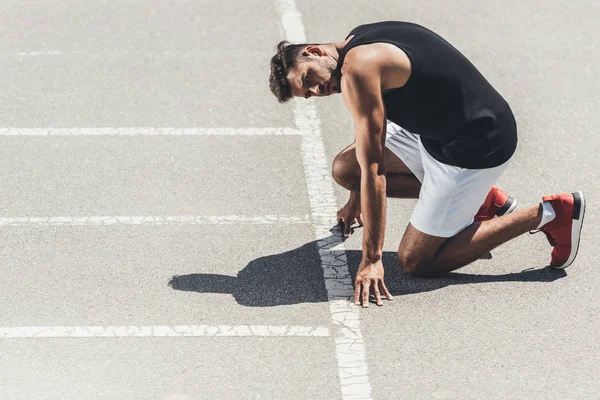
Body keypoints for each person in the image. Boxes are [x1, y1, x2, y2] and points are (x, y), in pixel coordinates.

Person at [268, 21, 585, 308]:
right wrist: (355, 197)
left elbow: (375, 169)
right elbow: (369, 148)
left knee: (417, 261)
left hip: (478, 144)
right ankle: (481, 200)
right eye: (308, 93)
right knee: (346, 170)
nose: (317, 90)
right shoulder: (358, 39)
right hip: (436, 134)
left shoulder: (357, 72)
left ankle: (551, 213)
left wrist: (372, 259)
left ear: (313, 51)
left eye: (309, 78)